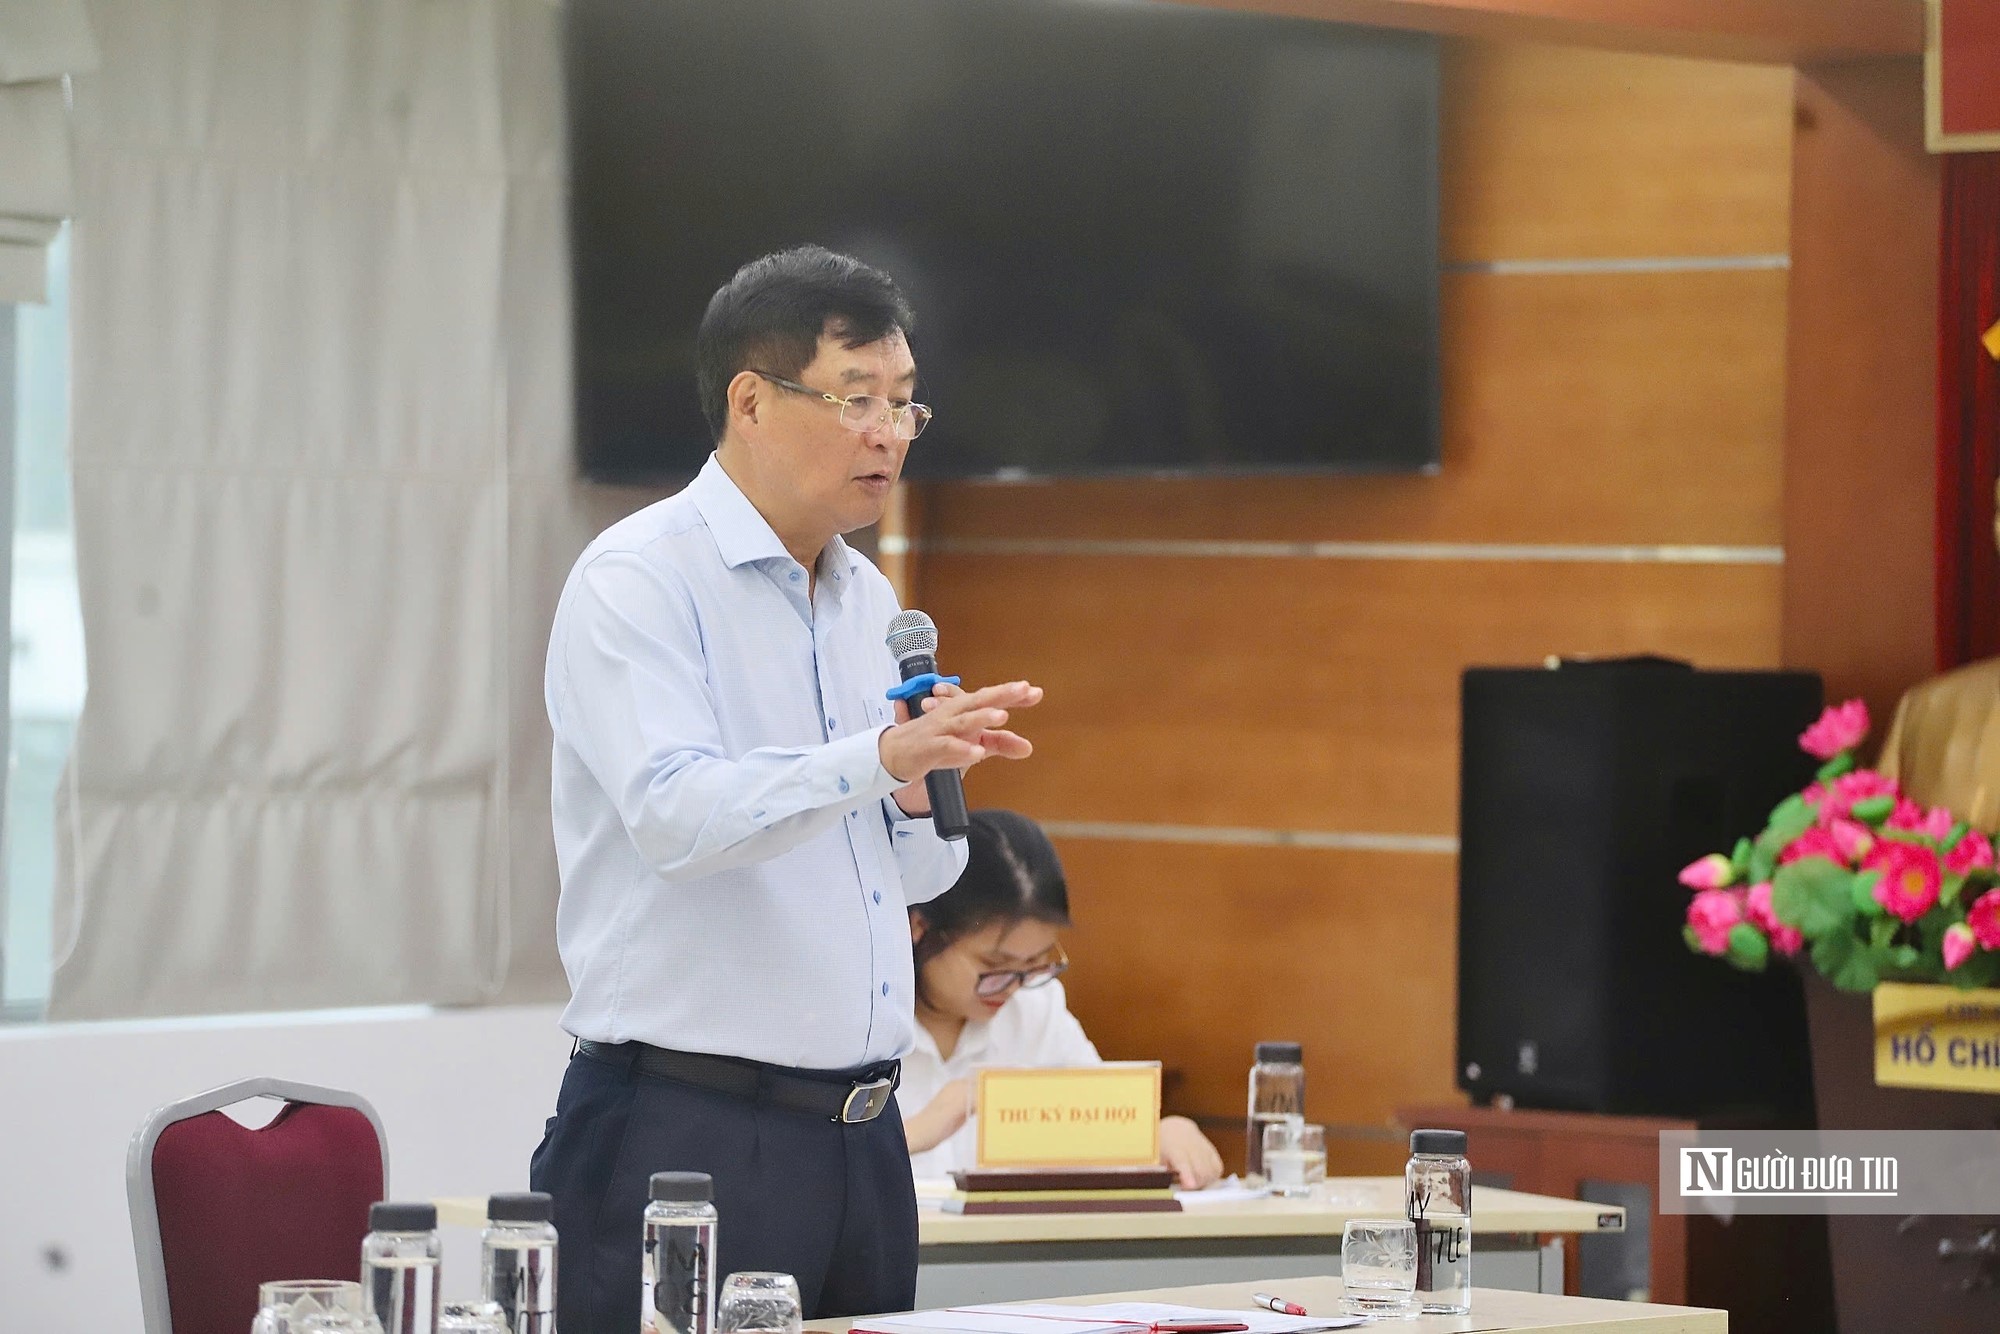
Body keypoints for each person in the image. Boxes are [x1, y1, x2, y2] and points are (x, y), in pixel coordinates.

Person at [528, 246, 1043, 1330]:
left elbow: (905, 877)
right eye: (856, 399)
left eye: (904, 404)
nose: (887, 433)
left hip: (861, 1137)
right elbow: (677, 817)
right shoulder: (638, 578)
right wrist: (875, 760)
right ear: (751, 402)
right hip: (687, 1126)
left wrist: (918, 798)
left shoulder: (869, 604)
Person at [897, 809, 1225, 1188]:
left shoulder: (1035, 1008)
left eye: (1034, 964)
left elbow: (1107, 1131)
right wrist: (919, 1130)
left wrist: (1162, 1135)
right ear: (919, 926)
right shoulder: (861, 1026)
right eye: (994, 965)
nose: (1012, 987)